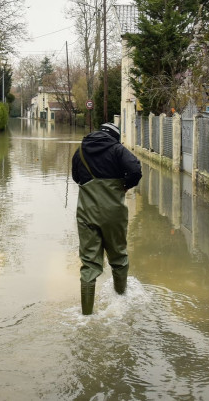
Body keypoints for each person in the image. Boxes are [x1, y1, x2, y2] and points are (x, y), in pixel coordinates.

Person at [71, 122, 142, 315]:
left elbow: (76, 177)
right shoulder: (118, 149)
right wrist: (125, 186)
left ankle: (86, 315)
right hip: (113, 213)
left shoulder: (81, 151)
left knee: (89, 263)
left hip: (86, 213)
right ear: (115, 136)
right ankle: (121, 302)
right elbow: (136, 170)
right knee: (118, 256)